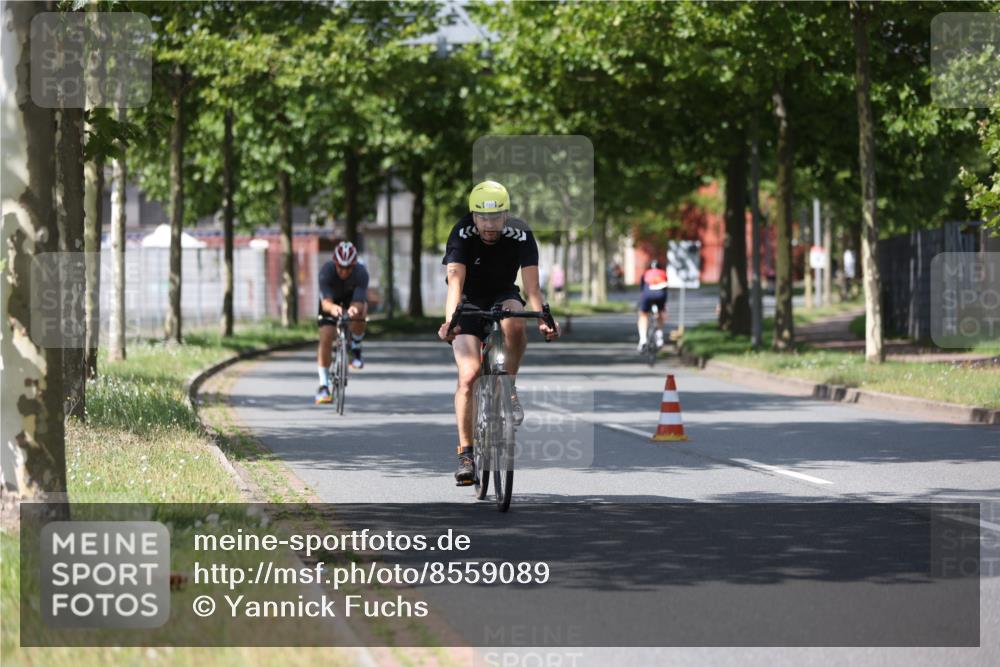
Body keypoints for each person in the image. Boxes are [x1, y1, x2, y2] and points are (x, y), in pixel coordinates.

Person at [437, 180, 560, 485]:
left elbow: (532, 286)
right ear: (473, 216)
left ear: (506, 215)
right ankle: (466, 454)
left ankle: (509, 385)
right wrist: (449, 321)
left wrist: (543, 317)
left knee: (516, 322)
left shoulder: (521, 233)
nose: (489, 225)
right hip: (468, 299)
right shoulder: (462, 232)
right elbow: (455, 281)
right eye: (482, 218)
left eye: (495, 218)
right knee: (469, 374)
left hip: (504, 292)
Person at [315, 241, 369, 404]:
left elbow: (359, 301)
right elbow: (325, 303)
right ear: (335, 263)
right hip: (331, 302)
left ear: (354, 265)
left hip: (352, 299)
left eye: (348, 268)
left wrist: (353, 309)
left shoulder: (361, 272)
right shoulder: (326, 271)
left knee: (361, 312)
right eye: (341, 267)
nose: (344, 271)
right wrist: (334, 309)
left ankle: (356, 347)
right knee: (326, 336)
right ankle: (324, 385)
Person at [637, 259, 668, 351]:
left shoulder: (645, 273)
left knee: (643, 315)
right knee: (661, 312)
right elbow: (666, 288)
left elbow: (642, 289)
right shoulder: (663, 273)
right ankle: (659, 336)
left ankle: (643, 340)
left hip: (647, 295)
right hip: (661, 295)